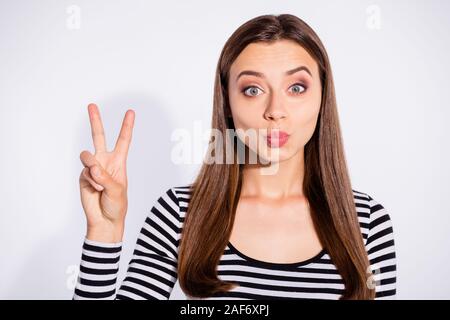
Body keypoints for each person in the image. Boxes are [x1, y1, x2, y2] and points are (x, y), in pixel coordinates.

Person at [74, 13, 396, 300]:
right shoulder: (179, 215)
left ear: (322, 97)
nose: (275, 111)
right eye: (253, 90)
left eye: (296, 87)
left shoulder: (367, 224)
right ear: (227, 102)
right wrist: (105, 231)